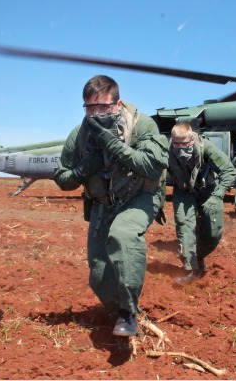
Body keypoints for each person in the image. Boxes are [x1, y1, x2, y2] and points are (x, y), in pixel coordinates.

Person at [53, 75, 169, 337]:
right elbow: (63, 179)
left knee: (124, 235)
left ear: (117, 103)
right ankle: (120, 315)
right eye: (89, 108)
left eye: (102, 107)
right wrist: (87, 166)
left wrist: (114, 146)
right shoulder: (79, 135)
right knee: (99, 272)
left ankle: (129, 313)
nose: (95, 113)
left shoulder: (141, 125)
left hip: (138, 197)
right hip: (102, 203)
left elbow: (152, 165)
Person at [167, 123, 236, 284]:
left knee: (213, 233)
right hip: (183, 190)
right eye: (176, 144)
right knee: (184, 227)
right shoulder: (167, 150)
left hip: (208, 189)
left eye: (184, 144)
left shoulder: (206, 147)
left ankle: (199, 257)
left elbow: (229, 170)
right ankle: (192, 269)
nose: (180, 148)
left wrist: (217, 196)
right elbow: (157, 175)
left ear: (192, 139)